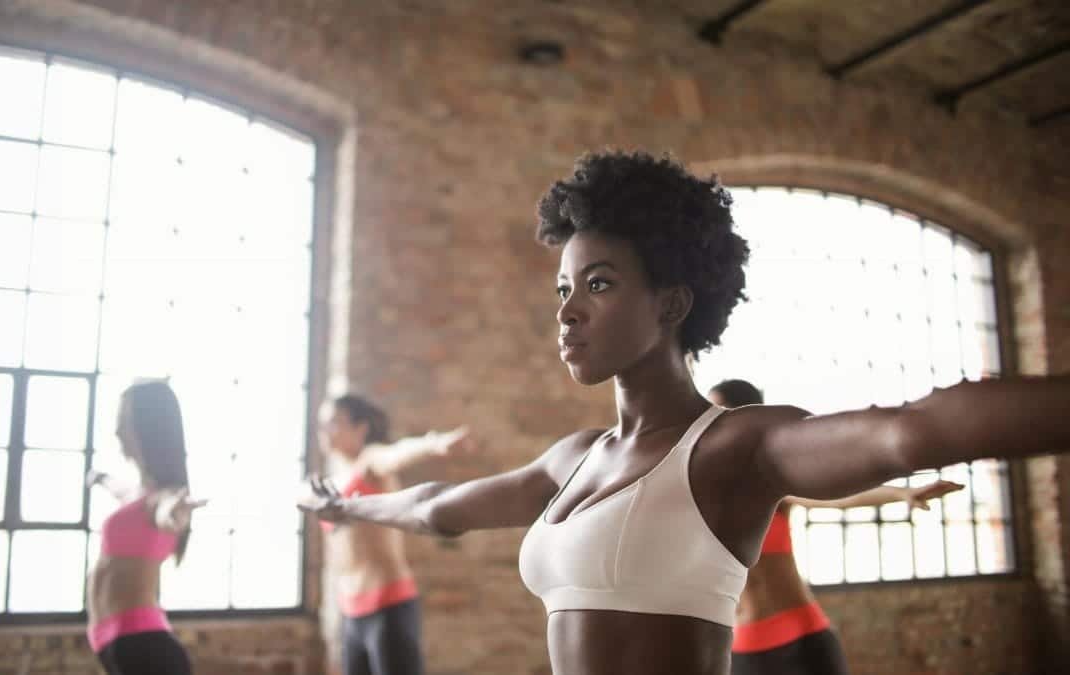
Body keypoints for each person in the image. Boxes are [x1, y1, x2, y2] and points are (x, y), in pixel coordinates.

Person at [298, 151, 1070, 675]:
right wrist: (345, 505)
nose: (567, 312)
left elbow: (912, 431)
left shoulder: (735, 445)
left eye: (597, 284)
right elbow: (439, 507)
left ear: (670, 302)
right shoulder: (574, 457)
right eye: (562, 289)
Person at [708, 379, 963, 675]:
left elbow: (835, 498)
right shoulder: (702, 492)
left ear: (743, 417)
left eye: (719, 411)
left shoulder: (769, 481)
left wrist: (900, 494)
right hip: (749, 648)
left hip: (806, 634)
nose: (712, 423)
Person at [314, 394, 476, 675]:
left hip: (387, 606)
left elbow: (395, 453)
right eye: (321, 424)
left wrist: (433, 443)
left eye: (333, 423)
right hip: (350, 613)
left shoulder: (369, 462)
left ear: (360, 429)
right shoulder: (330, 482)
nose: (324, 432)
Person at [85, 380, 207, 675]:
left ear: (149, 427)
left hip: (146, 648)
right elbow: (123, 490)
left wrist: (175, 514)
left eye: (124, 421)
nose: (117, 431)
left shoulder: (165, 497)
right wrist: (99, 478)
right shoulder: (141, 493)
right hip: (117, 645)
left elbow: (166, 511)